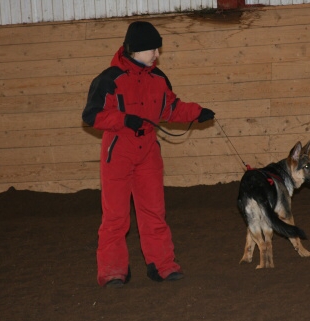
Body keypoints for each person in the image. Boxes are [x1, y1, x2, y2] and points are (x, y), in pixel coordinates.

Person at [82, 21, 215, 288]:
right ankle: (112, 272)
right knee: (116, 216)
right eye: (153, 49)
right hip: (118, 152)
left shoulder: (158, 78)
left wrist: (197, 112)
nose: (157, 54)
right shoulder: (109, 79)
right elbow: (91, 115)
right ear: (136, 50)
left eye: (157, 49)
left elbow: (170, 108)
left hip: (149, 154)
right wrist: (122, 120)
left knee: (154, 212)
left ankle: (162, 266)